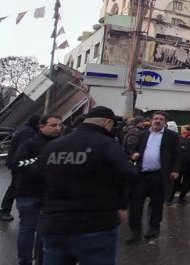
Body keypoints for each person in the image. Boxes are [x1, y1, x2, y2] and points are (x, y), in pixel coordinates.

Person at [37, 107, 136, 265]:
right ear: (107, 123)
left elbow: (38, 177)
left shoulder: (54, 145)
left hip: (54, 223)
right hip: (96, 224)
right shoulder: (106, 144)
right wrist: (120, 203)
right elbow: (127, 174)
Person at [11, 115, 63, 265]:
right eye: (53, 125)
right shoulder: (31, 144)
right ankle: (25, 259)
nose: (58, 128)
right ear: (41, 126)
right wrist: (39, 168)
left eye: (59, 125)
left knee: (44, 230)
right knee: (28, 228)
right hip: (29, 193)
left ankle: (41, 259)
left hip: (49, 195)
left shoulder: (61, 144)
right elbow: (17, 163)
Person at [126, 111, 181, 244]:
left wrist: (175, 170)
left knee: (156, 203)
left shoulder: (171, 136)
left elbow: (177, 155)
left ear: (165, 122)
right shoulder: (143, 134)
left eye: (161, 119)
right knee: (136, 203)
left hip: (159, 174)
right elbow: (132, 149)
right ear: (151, 120)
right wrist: (133, 154)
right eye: (155, 118)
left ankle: (153, 228)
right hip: (141, 175)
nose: (157, 121)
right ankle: (135, 231)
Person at [1, 116, 40, 222]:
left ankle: (6, 210)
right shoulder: (28, 133)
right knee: (14, 187)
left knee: (14, 187)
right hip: (20, 164)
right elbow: (23, 150)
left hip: (17, 163)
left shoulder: (24, 130)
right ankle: (5, 210)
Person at [167, 125, 190, 206]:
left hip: (179, 163)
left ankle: (169, 199)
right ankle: (182, 198)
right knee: (186, 181)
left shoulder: (179, 137)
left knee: (175, 181)